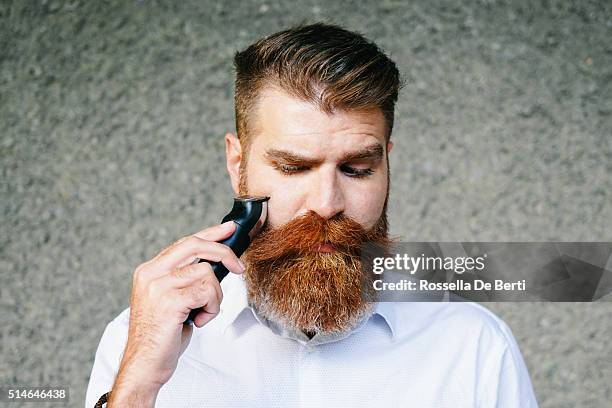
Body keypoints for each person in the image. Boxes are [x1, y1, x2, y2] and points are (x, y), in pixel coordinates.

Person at [86, 22, 539, 407]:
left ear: (387, 164)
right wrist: (134, 391)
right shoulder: (138, 340)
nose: (326, 203)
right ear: (236, 164)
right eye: (293, 167)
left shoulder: (474, 346)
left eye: (357, 169)